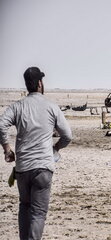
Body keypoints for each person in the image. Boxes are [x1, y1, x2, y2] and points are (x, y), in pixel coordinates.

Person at [0, 67, 72, 239]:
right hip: (43, 169)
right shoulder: (51, 107)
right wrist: (56, 148)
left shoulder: (18, 106)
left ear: (27, 84)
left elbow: (1, 125)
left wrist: (7, 148)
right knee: (38, 213)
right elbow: (68, 136)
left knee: (24, 207)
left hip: (23, 168)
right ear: (40, 83)